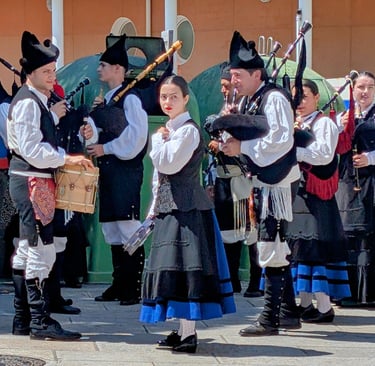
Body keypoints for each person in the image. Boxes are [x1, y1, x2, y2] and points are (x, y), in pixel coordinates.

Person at [139, 75, 236, 354]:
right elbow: (160, 179)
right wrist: (153, 209)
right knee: (173, 269)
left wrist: (157, 142)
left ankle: (189, 333)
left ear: (185, 99)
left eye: (173, 96)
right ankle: (181, 329)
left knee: (185, 269)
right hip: (172, 208)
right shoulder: (171, 130)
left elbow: (167, 164)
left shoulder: (188, 131)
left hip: (188, 210)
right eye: (163, 96)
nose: (167, 102)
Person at [7, 30, 93, 340]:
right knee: (38, 249)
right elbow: (31, 149)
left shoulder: (36, 101)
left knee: (30, 249)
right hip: (31, 179)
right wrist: (66, 159)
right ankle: (39, 321)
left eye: (53, 70)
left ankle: (24, 318)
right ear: (30, 74)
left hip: (33, 179)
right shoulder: (30, 102)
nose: (51, 75)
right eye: (46, 71)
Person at [219, 31, 301, 336]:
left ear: (256, 74)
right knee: (273, 243)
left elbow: (280, 140)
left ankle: (270, 319)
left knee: (272, 243)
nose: (235, 81)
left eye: (238, 75)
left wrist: (242, 149)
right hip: (267, 181)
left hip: (278, 183)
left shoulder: (274, 98)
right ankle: (288, 312)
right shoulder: (253, 100)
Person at [87, 34, 148, 306]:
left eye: (103, 65)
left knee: (127, 226)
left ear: (118, 70)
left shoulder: (131, 100)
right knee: (111, 228)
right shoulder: (109, 100)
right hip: (109, 172)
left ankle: (132, 288)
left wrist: (106, 148)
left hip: (125, 171)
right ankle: (118, 282)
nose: (99, 69)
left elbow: (136, 138)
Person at [287, 79, 351, 322]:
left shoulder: (324, 124)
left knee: (316, 248)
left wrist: (293, 151)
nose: (299, 102)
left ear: (316, 98)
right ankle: (305, 304)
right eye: (295, 97)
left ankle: (324, 306)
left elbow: (324, 155)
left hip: (317, 195)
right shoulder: (295, 124)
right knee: (300, 248)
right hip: (299, 192)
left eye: (304, 96)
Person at [205, 62, 262, 296]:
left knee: (251, 232)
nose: (223, 90)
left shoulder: (247, 108)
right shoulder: (223, 107)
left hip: (244, 180)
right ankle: (232, 281)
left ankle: (255, 283)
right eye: (222, 86)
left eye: (226, 84)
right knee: (228, 233)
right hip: (224, 179)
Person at [336, 71, 375, 307]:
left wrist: (370, 158)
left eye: (370, 87)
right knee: (347, 234)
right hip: (347, 182)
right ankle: (347, 291)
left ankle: (368, 292)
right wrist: (339, 129)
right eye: (360, 87)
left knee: (369, 235)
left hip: (371, 181)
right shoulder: (344, 115)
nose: (365, 92)